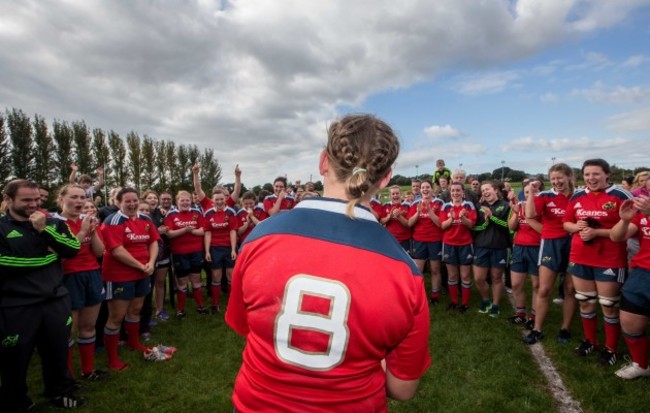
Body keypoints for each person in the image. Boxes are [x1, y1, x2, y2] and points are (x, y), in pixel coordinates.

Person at [225, 114, 430, 412]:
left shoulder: (261, 237)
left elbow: (246, 326)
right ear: (385, 178)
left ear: (323, 162)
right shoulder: (405, 271)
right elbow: (402, 388)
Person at [0, 179, 84, 410]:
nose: (33, 204)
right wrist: (49, 257)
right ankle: (15, 400)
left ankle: (59, 392)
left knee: (57, 352)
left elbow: (72, 249)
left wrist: (44, 230)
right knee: (14, 359)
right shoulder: (2, 227)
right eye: (26, 200)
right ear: (8, 199)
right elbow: (5, 263)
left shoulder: (53, 224)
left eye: (36, 199)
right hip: (17, 305)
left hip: (54, 300)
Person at [563, 159, 633, 366]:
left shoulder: (620, 196)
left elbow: (628, 229)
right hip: (580, 256)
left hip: (609, 259)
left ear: (607, 175)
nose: (591, 178)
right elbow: (566, 223)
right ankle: (590, 341)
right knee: (585, 301)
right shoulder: (577, 196)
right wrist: (577, 228)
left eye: (596, 174)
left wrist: (597, 232)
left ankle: (611, 348)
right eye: (587, 174)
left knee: (609, 305)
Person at [100, 187, 165, 370]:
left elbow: (153, 241)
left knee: (135, 310)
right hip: (120, 275)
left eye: (135, 200)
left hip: (143, 272)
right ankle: (112, 358)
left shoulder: (145, 219)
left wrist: (151, 262)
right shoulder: (112, 221)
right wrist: (140, 265)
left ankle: (133, 342)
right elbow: (117, 250)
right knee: (116, 317)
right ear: (118, 203)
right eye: (127, 201)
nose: (132, 204)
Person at [54, 185, 107, 382]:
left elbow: (100, 252)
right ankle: (68, 376)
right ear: (61, 199)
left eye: (82, 197)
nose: (79, 201)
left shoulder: (88, 221)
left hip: (92, 273)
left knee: (88, 325)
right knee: (69, 330)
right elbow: (63, 255)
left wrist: (91, 232)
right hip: (68, 277)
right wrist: (83, 230)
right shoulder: (54, 223)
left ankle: (88, 370)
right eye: (74, 197)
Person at [523, 164, 577, 345]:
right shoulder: (545, 196)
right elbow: (529, 214)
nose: (556, 182)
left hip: (574, 244)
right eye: (553, 179)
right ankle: (537, 329)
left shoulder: (578, 196)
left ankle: (565, 328)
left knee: (570, 289)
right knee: (544, 289)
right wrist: (531, 192)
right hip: (551, 244)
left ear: (569, 177)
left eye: (560, 178)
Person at [610, 196, 650, 379]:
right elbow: (616, 237)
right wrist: (624, 220)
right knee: (629, 320)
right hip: (643, 271)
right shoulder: (642, 213)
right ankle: (641, 365)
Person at [163, 191, 207, 318]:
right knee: (181, 281)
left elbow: (203, 230)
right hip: (179, 253)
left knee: (196, 279)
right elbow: (169, 234)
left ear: (190, 201)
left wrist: (190, 231)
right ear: (177, 202)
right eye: (182, 200)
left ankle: (200, 306)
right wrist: (185, 230)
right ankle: (180, 310)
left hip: (196, 251)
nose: (185, 202)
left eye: (187, 200)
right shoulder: (171, 214)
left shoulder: (196, 212)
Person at [472, 181, 511, 317]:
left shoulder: (505, 206)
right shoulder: (479, 207)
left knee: (496, 278)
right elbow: (474, 227)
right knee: (478, 278)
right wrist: (484, 223)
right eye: (483, 191)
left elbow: (508, 227)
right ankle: (485, 300)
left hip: (499, 247)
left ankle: (495, 304)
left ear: (495, 190)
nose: (485, 192)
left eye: (487, 189)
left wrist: (492, 217)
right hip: (481, 247)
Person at [507, 181, 542, 327]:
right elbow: (511, 227)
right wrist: (515, 213)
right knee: (515, 284)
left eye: (534, 191)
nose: (530, 195)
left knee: (536, 285)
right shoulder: (519, 206)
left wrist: (529, 217)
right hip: (520, 248)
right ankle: (520, 314)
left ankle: (533, 316)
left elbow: (544, 230)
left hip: (537, 248)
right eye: (527, 192)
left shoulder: (543, 207)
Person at [440, 182, 477, 312]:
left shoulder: (468, 205)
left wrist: (462, 218)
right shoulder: (445, 207)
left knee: (465, 275)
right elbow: (443, 226)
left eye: (458, 190)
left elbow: (471, 225)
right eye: (453, 191)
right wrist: (452, 219)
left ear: (463, 192)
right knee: (452, 275)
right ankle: (454, 301)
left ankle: (465, 303)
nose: (455, 193)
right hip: (449, 244)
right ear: (450, 193)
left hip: (465, 244)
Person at [407, 180, 444, 304]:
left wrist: (430, 212)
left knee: (435, 269)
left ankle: (435, 295)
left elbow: (440, 224)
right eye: (423, 188)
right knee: (418, 270)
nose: (425, 189)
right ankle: (419, 295)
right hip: (419, 240)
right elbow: (409, 223)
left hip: (435, 240)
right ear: (420, 190)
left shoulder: (439, 203)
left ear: (432, 189)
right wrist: (418, 213)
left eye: (427, 187)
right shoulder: (415, 204)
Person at [380, 185, 411, 252]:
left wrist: (399, 216)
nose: (395, 195)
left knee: (405, 259)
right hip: (390, 238)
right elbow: (381, 221)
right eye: (393, 194)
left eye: (397, 193)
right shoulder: (386, 205)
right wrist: (389, 217)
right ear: (390, 196)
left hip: (405, 238)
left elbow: (408, 224)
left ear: (401, 194)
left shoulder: (407, 205)